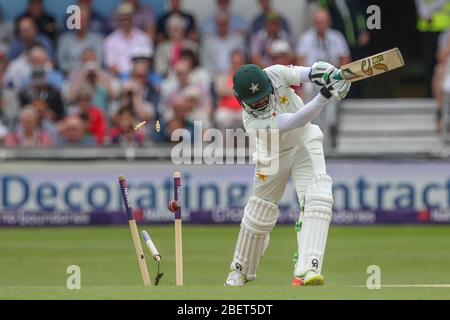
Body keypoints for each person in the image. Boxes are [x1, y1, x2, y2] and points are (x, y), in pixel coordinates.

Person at [224, 61, 351, 286]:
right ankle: (240, 270)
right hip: (272, 154)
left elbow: (309, 73)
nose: (262, 103)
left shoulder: (274, 74)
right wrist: (326, 93)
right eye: (256, 101)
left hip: (304, 141)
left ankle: (309, 267)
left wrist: (330, 73)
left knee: (318, 197)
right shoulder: (252, 122)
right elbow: (294, 120)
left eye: (264, 96)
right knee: (259, 213)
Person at [103, 2, 153, 77]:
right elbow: (110, 65)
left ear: (132, 18)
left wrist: (135, 76)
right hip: (118, 78)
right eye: (122, 19)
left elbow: (147, 62)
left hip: (141, 77)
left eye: (127, 18)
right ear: (118, 20)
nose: (125, 22)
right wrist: (124, 76)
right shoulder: (110, 40)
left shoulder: (144, 38)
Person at [57, 6, 104, 74]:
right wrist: (82, 64)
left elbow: (99, 61)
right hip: (69, 77)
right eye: (78, 20)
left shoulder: (97, 39)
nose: (80, 23)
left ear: (88, 22)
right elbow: (61, 64)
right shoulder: (64, 40)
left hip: (92, 76)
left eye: (83, 20)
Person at [201, 11, 245, 76]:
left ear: (229, 24)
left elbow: (242, 60)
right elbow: (205, 62)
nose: (222, 27)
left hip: (235, 74)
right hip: (214, 76)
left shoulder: (237, 40)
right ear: (215, 25)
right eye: (220, 24)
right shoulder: (208, 42)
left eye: (224, 24)